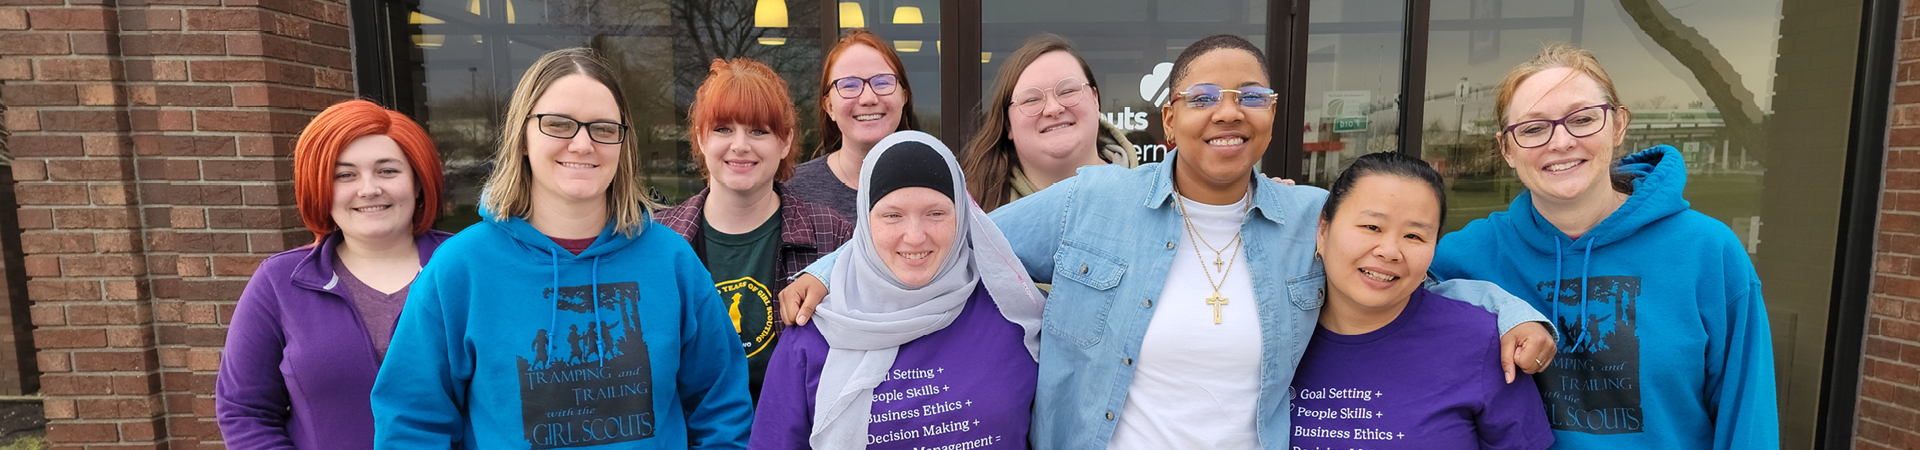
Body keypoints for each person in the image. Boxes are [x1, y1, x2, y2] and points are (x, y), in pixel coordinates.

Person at [783, 35, 1559, 449]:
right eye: (1204, 97)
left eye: (1251, 96)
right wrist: (825, 269)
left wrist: (1512, 311)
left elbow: (1412, 270)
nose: (1229, 111)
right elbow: (957, 240)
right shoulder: (1088, 203)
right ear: (1170, 121)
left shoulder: (1311, 218)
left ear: (1272, 115)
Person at [371, 48, 752, 449]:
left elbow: (721, 409)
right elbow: (411, 424)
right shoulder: (461, 269)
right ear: (522, 136)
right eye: (558, 124)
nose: (583, 144)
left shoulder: (672, 261)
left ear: (623, 143)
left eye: (604, 128)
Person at [1430, 43, 1778, 449]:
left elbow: (1747, 419)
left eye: (1582, 119)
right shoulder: (1462, 258)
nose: (1559, 142)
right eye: (1533, 128)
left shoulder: (1707, 252)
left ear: (1618, 126)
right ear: (1507, 149)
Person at [749, 131, 1044, 449]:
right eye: (892, 216)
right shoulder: (814, 334)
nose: (915, 236)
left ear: (962, 216)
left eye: (936, 213)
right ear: (865, 222)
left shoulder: (1014, 314)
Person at [215, 99, 449, 449]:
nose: (368, 189)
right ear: (321, 188)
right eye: (345, 175)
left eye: (388, 171)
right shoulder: (279, 283)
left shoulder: (469, 268)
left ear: (418, 183)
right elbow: (244, 411)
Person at [1289, 151, 1553, 450]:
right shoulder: (1271, 336)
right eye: (1371, 227)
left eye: (1414, 236)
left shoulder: (1482, 344)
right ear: (1323, 229)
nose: (1389, 251)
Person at [654, 58, 855, 403]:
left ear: (785, 141)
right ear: (701, 138)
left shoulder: (834, 236)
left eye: (759, 131)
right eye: (723, 129)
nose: (740, 145)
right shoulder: (659, 240)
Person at [960, 33, 1138, 212]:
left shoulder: (1158, 201)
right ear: (1008, 124)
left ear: (1095, 100)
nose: (1053, 109)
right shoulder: (968, 216)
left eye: (1068, 91)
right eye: (1031, 100)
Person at [787, 29, 923, 219]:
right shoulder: (792, 193)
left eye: (883, 82)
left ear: (904, 97)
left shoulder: (938, 183)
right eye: (849, 85)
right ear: (829, 107)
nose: (868, 98)